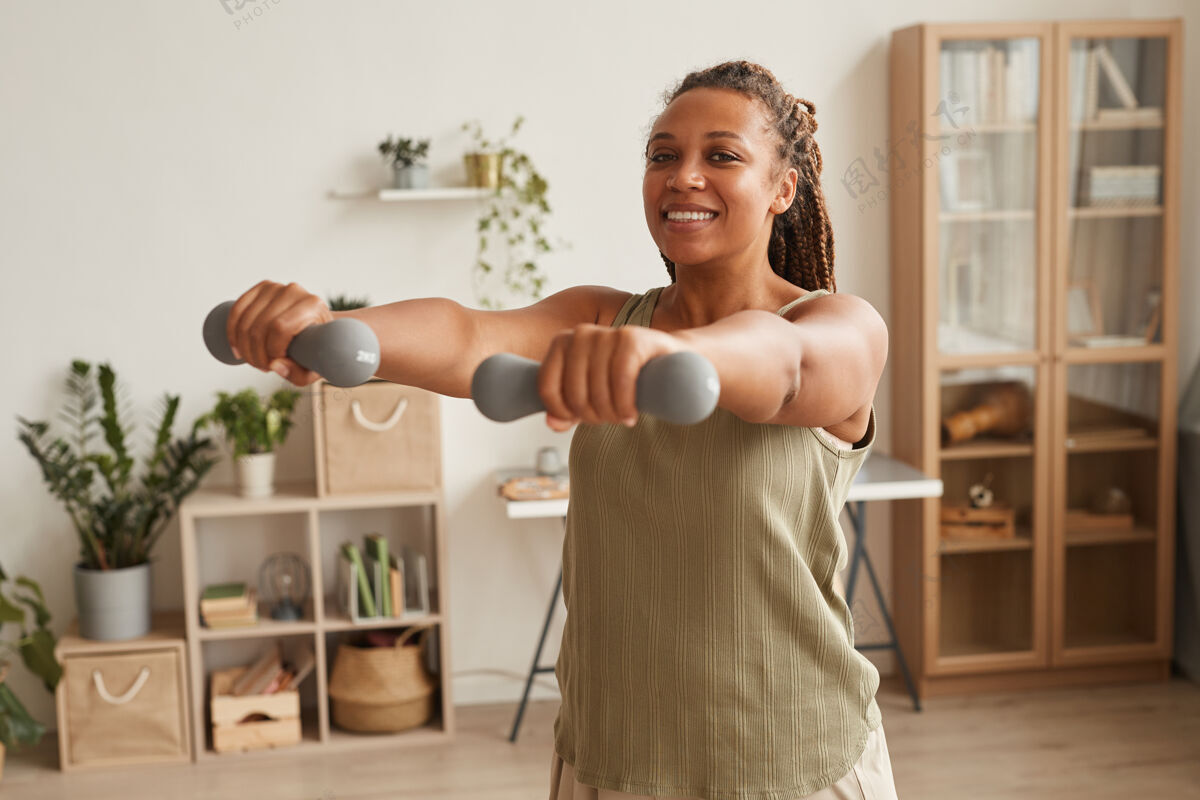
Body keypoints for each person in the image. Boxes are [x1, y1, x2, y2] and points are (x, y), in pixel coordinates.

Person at [224, 60, 895, 800]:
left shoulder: (837, 324)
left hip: (791, 763)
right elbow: (467, 336)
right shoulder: (605, 320)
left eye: (722, 155)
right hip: (613, 754)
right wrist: (329, 329)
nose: (683, 176)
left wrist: (668, 356)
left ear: (782, 189)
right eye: (663, 155)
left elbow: (787, 369)